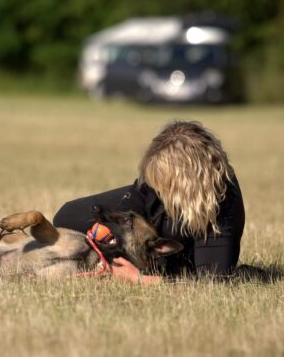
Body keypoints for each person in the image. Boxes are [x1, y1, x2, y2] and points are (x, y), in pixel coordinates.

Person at [53, 120, 245, 285]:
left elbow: (211, 286)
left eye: (163, 183)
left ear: (187, 183)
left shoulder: (221, 209)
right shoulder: (154, 185)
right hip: (164, 219)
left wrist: (140, 280)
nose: (156, 188)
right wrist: (112, 235)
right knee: (67, 217)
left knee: (210, 277)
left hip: (187, 241)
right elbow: (69, 218)